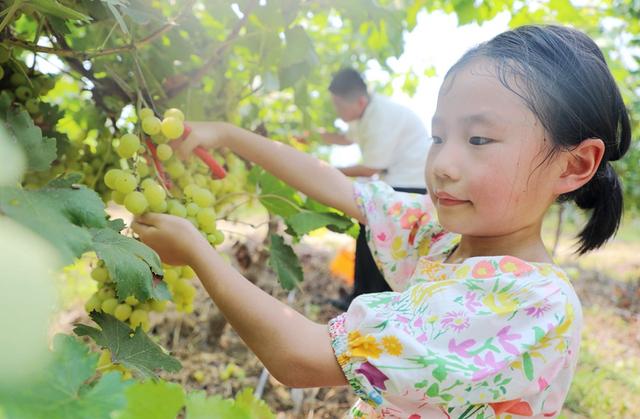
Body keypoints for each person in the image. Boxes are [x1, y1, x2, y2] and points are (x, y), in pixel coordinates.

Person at [132, 25, 631, 418]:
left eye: (478, 140)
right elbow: (336, 185)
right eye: (438, 138)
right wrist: (227, 134)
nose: (442, 164)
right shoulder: (444, 239)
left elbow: (299, 358)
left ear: (575, 165)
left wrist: (199, 253)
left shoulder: (527, 306)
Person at [322, 68, 431, 309]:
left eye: (339, 105)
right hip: (394, 181)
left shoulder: (381, 116)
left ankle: (375, 300)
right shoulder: (365, 114)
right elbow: (346, 138)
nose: (337, 112)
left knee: (383, 240)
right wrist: (317, 136)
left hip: (409, 185)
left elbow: (371, 167)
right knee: (369, 235)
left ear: (359, 101)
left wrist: (327, 171)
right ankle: (361, 297)